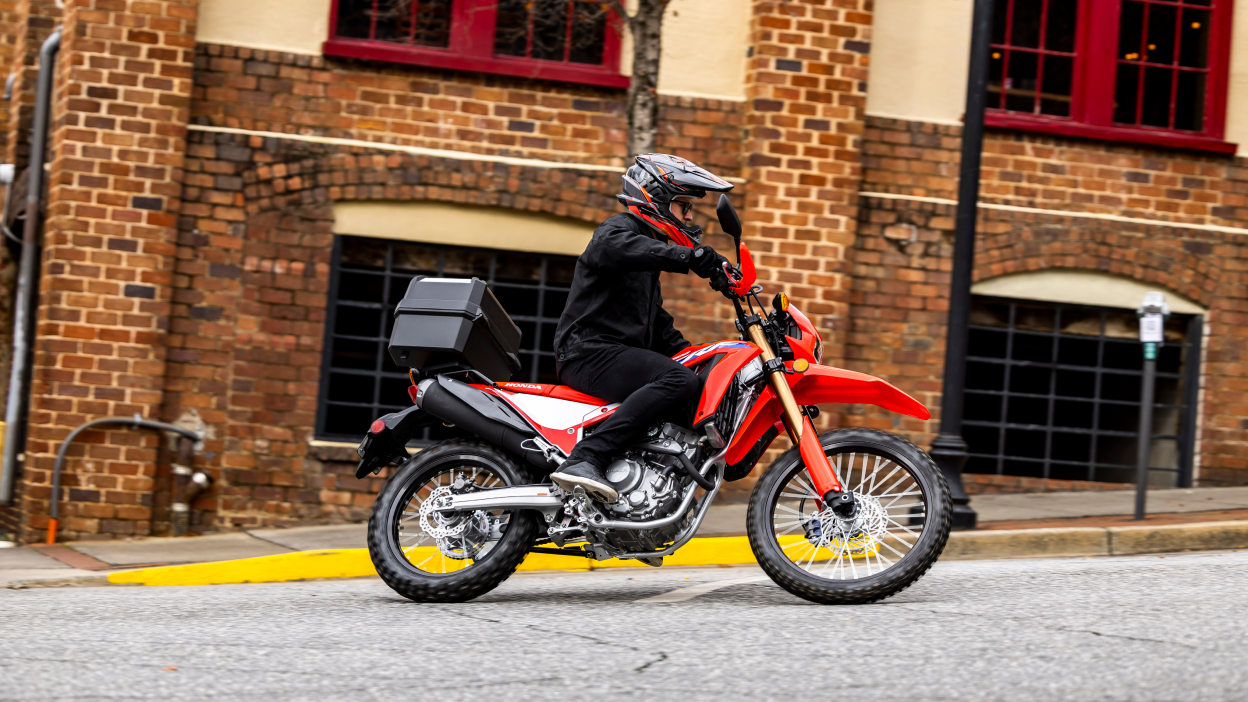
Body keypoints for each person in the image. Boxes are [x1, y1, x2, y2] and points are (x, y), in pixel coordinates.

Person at [550, 154, 736, 502]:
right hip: (586, 353)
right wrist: (690, 257)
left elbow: (659, 327)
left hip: (613, 355)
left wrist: (701, 356)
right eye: (684, 205)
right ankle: (587, 457)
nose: (690, 216)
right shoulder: (617, 233)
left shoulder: (646, 261)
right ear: (658, 198)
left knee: (693, 377)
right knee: (678, 381)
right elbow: (618, 247)